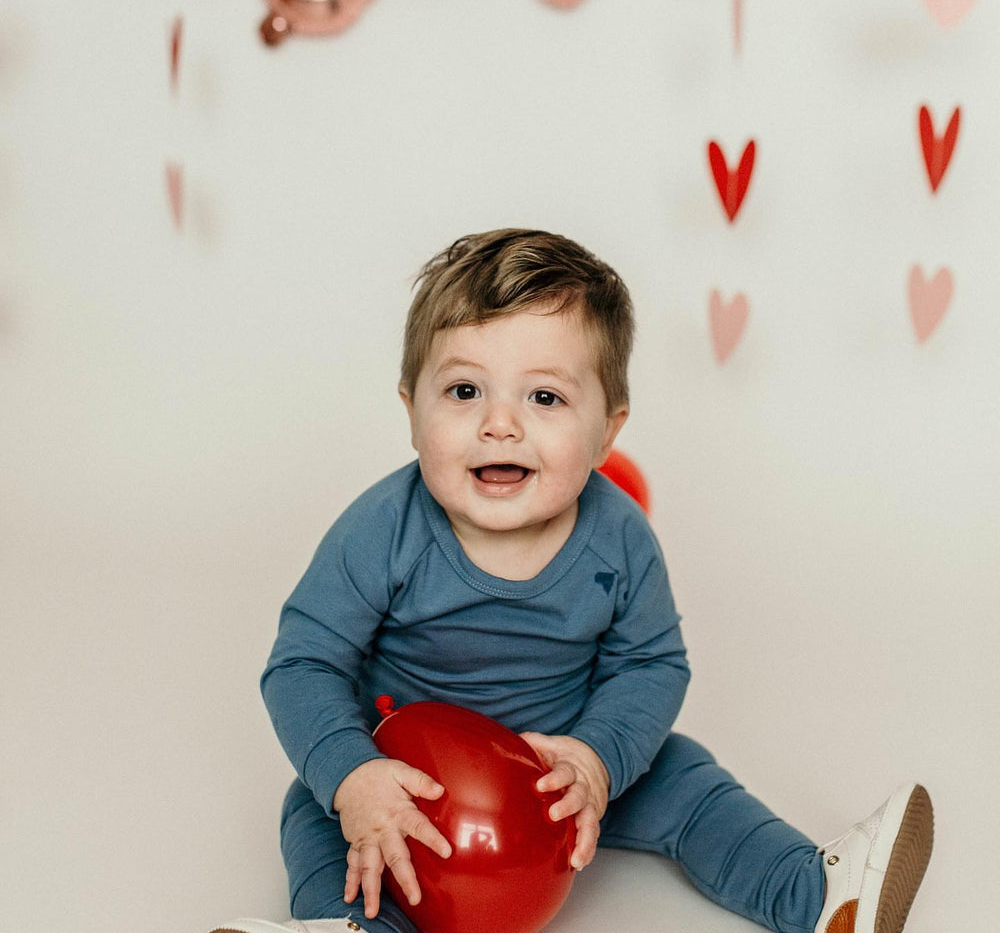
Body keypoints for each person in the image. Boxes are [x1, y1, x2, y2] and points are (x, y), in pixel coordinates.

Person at [210, 229, 933, 933]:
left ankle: (814, 895)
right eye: (464, 390)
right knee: (313, 805)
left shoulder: (618, 539)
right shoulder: (381, 529)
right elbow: (303, 662)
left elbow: (650, 665)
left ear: (607, 432)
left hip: (563, 786)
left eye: (545, 399)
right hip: (409, 784)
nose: (499, 424)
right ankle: (347, 926)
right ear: (411, 411)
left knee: (680, 771)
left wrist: (597, 759)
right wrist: (353, 775)